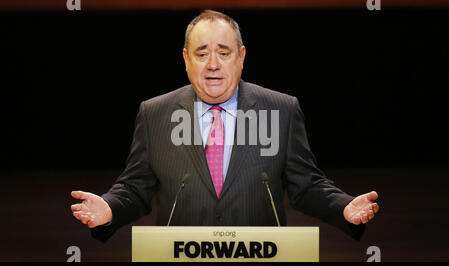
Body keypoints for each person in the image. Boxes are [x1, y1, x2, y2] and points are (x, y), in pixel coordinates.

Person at [71, 10, 379, 242]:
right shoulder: (155, 114)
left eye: (224, 52)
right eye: (202, 54)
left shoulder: (281, 110)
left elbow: (307, 186)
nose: (213, 65)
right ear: (186, 59)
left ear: (241, 57)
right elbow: (136, 187)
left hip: (259, 262)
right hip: (182, 261)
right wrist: (110, 206)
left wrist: (344, 207)